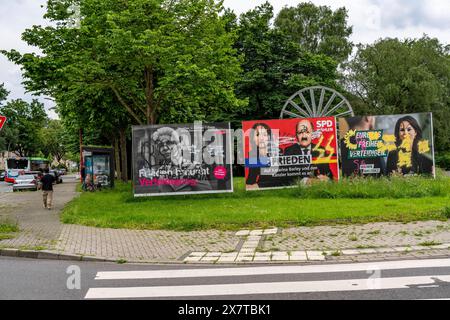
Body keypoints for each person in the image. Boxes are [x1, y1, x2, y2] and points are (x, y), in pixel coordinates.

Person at [246, 123, 273, 189]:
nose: (261, 138)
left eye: (264, 134)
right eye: (257, 135)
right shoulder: (253, 154)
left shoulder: (277, 151)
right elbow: (251, 180)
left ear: (269, 137)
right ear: (252, 138)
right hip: (263, 187)